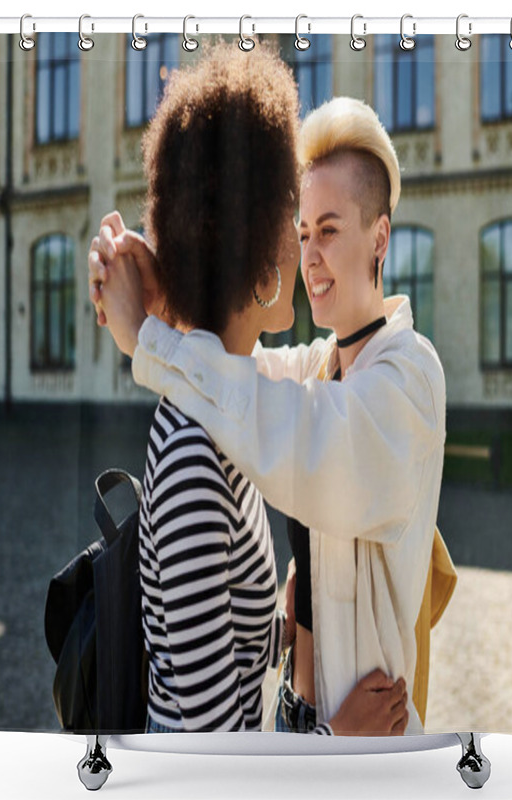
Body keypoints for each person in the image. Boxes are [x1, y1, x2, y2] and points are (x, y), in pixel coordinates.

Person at [91, 96, 445, 736]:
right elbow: (240, 375)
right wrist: (172, 303)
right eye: (301, 232)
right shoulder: (321, 369)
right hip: (300, 728)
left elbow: (283, 424)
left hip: (361, 749)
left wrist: (147, 334)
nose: (307, 256)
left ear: (380, 237)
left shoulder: (407, 380)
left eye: (330, 230)